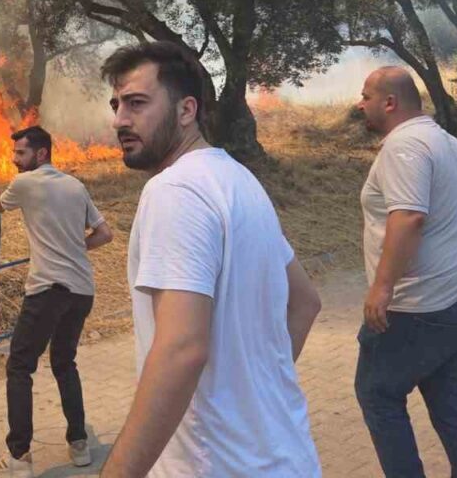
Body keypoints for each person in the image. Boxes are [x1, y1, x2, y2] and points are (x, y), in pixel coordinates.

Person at [97, 41, 323, 478]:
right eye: (116, 104)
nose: (120, 119)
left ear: (186, 110)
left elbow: (181, 349)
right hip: (285, 459)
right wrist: (246, 396)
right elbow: (306, 302)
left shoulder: (174, 191)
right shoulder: (238, 180)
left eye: (137, 103)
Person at [354, 67, 457, 477]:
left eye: (366, 96)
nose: (360, 104)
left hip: (420, 311)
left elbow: (409, 216)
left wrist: (382, 288)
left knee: (377, 394)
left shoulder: (404, 146)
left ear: (390, 102)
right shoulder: (448, 143)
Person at [0, 125, 115, 477]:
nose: (14, 160)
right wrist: (75, 249)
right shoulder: (75, 185)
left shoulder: (25, 184)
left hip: (48, 290)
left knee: (20, 367)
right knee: (64, 362)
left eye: (20, 153)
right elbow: (105, 234)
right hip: (82, 290)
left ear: (40, 154)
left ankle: (20, 458)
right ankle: (80, 445)